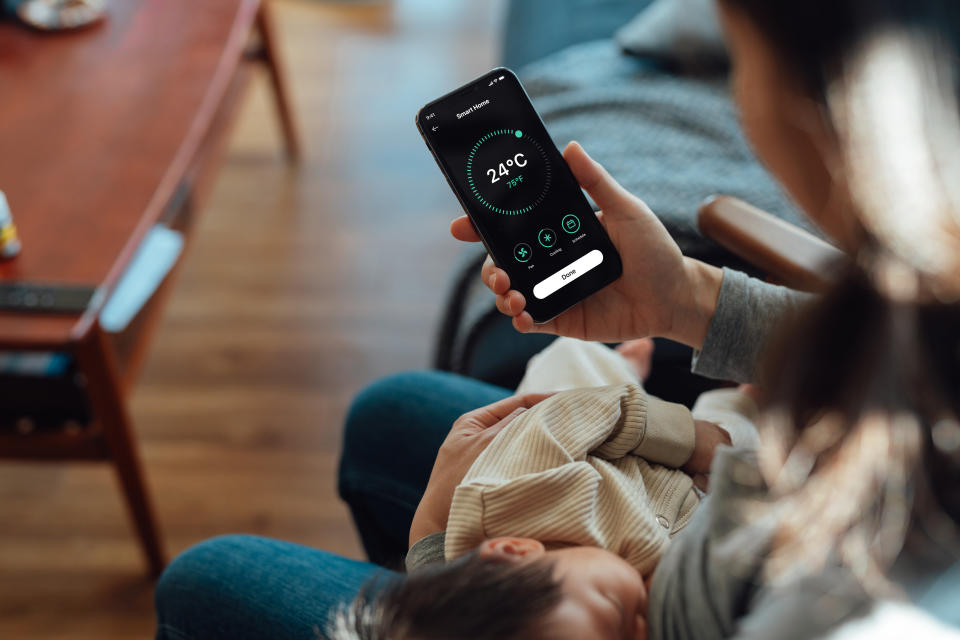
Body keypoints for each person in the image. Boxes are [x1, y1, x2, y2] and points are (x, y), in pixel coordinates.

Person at [154, 0, 960, 637]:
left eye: (741, 57)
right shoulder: (920, 326)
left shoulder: (862, 615)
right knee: (387, 410)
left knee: (203, 583)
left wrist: (437, 565)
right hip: (714, 514)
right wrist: (684, 297)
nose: (740, 102)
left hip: (703, 529)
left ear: (832, 110)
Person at [329, 337, 757, 640]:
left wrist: (692, 438)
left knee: (568, 368)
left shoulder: (506, 494)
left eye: (615, 610)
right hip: (701, 496)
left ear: (515, 552)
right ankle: (740, 398)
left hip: (617, 443)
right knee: (749, 428)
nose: (645, 630)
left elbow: (574, 413)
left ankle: (621, 364)